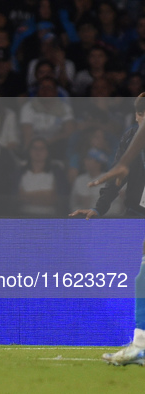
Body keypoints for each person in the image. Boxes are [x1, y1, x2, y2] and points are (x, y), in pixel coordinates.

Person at [89, 102, 145, 367]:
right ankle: (141, 345)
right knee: (142, 273)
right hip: (139, 209)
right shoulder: (132, 135)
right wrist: (100, 208)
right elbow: (118, 175)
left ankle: (141, 346)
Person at [70, 93, 145, 219]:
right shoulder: (129, 138)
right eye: (141, 114)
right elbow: (116, 177)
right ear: (136, 116)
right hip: (136, 213)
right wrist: (99, 208)